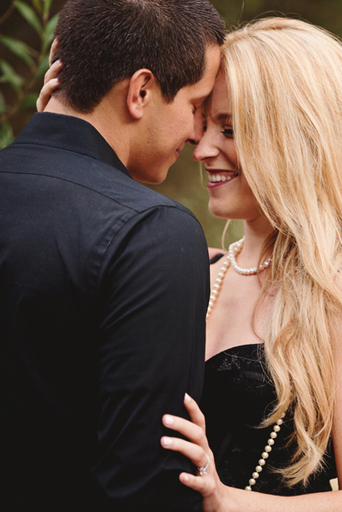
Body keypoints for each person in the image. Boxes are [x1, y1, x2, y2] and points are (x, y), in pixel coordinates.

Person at [159, 17, 342, 511]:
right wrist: (65, 131)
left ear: (299, 140)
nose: (202, 150)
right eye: (204, 125)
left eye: (231, 129)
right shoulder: (197, 270)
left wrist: (227, 501)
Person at [0, 1, 224, 511]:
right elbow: (147, 488)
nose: (196, 136)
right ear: (141, 91)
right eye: (195, 106)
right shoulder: (153, 236)